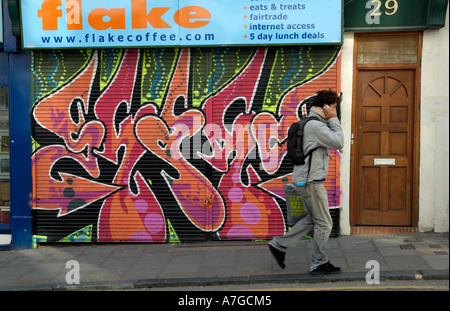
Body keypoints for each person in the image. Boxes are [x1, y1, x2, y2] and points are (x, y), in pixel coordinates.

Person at [268, 90, 344, 275]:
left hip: (304, 180)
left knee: (312, 219)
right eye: (333, 107)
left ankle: (279, 244)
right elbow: (339, 141)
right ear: (325, 106)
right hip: (311, 183)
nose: (335, 111)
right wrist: (334, 119)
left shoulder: (309, 122)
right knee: (325, 223)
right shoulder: (316, 126)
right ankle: (319, 263)